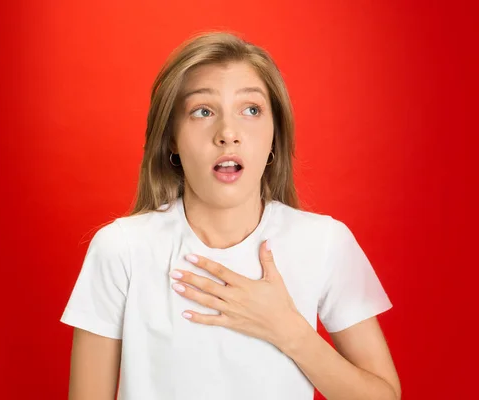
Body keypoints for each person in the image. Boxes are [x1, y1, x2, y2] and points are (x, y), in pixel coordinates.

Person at [60, 31, 401, 400]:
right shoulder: (122, 248)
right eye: (202, 111)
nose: (228, 133)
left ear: (275, 133)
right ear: (171, 138)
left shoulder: (324, 243)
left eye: (251, 110)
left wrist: (289, 331)